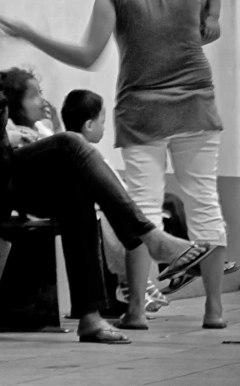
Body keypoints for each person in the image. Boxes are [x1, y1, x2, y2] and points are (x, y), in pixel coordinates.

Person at [0, 0, 215, 344]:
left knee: (72, 182)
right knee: (68, 143)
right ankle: (148, 237)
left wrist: (1, 125)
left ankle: (91, 315)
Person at [0, 0, 229, 330]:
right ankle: (215, 310)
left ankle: (137, 310)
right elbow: (211, 1)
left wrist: (28, 34)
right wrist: (212, 17)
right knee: (204, 202)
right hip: (196, 101)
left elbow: (87, 55)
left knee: (142, 206)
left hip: (142, 110)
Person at [60, 89, 169, 312]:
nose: (105, 127)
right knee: (129, 220)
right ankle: (129, 281)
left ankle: (165, 271)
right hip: (98, 210)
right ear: (89, 125)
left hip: (108, 204)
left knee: (168, 205)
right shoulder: (85, 154)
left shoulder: (88, 152)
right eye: (103, 121)